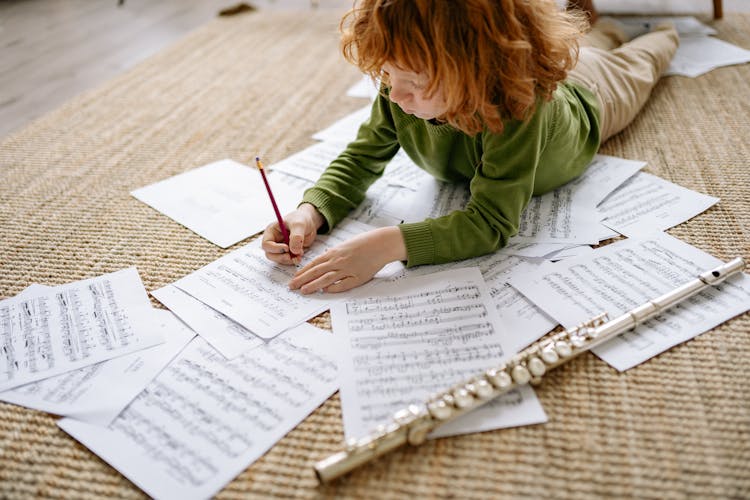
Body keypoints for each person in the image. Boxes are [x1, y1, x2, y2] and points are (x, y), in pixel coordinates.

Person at [261, 0, 678, 294]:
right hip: (560, 68)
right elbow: (360, 157)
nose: (395, 94)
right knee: (593, 40)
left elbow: (490, 224)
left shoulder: (519, 106)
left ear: (482, 71)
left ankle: (666, 32)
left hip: (592, 98)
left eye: (417, 81)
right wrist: (310, 210)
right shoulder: (397, 89)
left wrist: (388, 245)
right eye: (387, 73)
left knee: (641, 60)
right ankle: (605, 31)